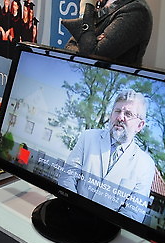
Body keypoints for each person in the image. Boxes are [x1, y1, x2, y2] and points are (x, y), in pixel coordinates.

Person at [57, 89, 156, 222]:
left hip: (107, 229)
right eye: (117, 111)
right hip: (70, 215)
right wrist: (76, 210)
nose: (120, 117)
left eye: (128, 114)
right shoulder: (88, 138)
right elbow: (67, 178)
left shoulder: (145, 164)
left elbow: (134, 213)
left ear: (140, 125)